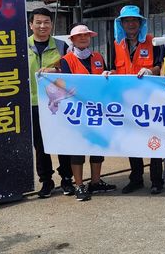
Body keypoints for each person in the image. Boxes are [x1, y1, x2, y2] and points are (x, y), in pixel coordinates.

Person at [106, 5, 165, 195]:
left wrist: (150, 71)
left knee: (153, 140)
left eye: (134, 20)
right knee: (131, 140)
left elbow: (160, 67)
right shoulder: (116, 43)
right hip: (127, 101)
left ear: (140, 23)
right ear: (121, 23)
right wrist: (109, 73)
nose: (131, 24)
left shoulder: (153, 41)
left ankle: (157, 180)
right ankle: (136, 179)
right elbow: (115, 68)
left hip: (150, 100)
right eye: (127, 20)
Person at [60, 23, 117, 201]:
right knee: (77, 149)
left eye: (86, 35)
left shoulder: (98, 57)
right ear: (72, 39)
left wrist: (110, 73)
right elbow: (66, 86)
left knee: (97, 146)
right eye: (79, 36)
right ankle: (79, 185)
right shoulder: (66, 60)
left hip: (98, 111)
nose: (83, 38)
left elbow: (108, 78)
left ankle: (96, 181)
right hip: (77, 112)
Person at [27, 7, 74, 198]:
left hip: (59, 103)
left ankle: (67, 180)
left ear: (51, 24)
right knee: (40, 145)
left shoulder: (63, 46)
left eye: (46, 22)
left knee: (63, 141)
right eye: (38, 22)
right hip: (33, 104)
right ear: (31, 25)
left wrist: (57, 71)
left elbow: (72, 72)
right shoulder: (21, 46)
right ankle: (46, 181)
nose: (42, 26)